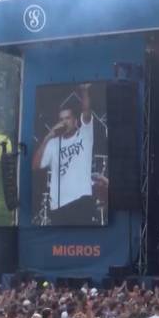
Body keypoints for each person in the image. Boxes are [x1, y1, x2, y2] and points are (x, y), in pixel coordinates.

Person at [33, 82, 100, 225]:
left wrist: (84, 92)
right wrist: (47, 137)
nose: (64, 122)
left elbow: (86, 112)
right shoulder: (53, 143)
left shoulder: (84, 135)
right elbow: (36, 166)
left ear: (75, 120)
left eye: (67, 118)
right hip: (58, 206)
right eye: (61, 119)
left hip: (81, 200)